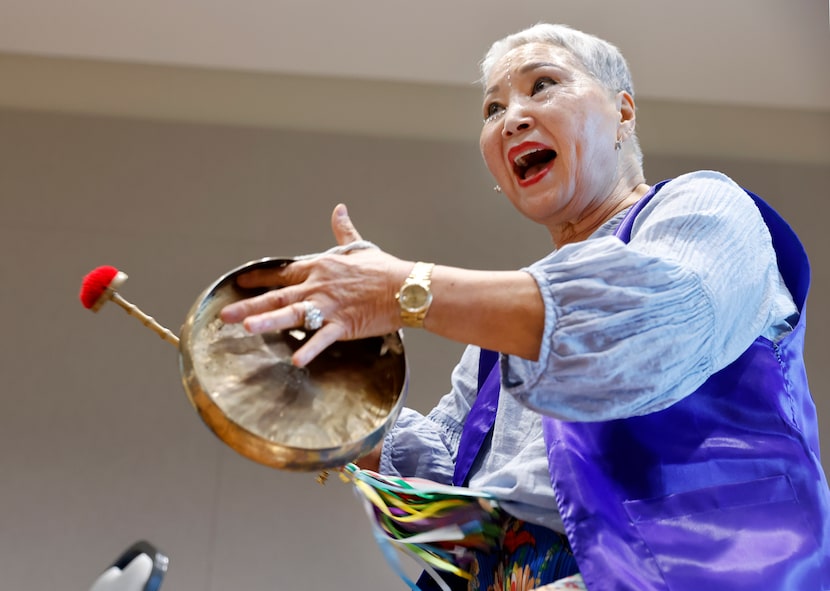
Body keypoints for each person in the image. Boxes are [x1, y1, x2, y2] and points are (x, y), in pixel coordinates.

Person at [219, 23, 830, 591]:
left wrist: (404, 288)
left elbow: (644, 325)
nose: (512, 118)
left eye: (544, 85)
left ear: (622, 110)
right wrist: (330, 403)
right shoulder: (501, 328)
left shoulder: (703, 208)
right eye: (492, 109)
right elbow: (452, 497)